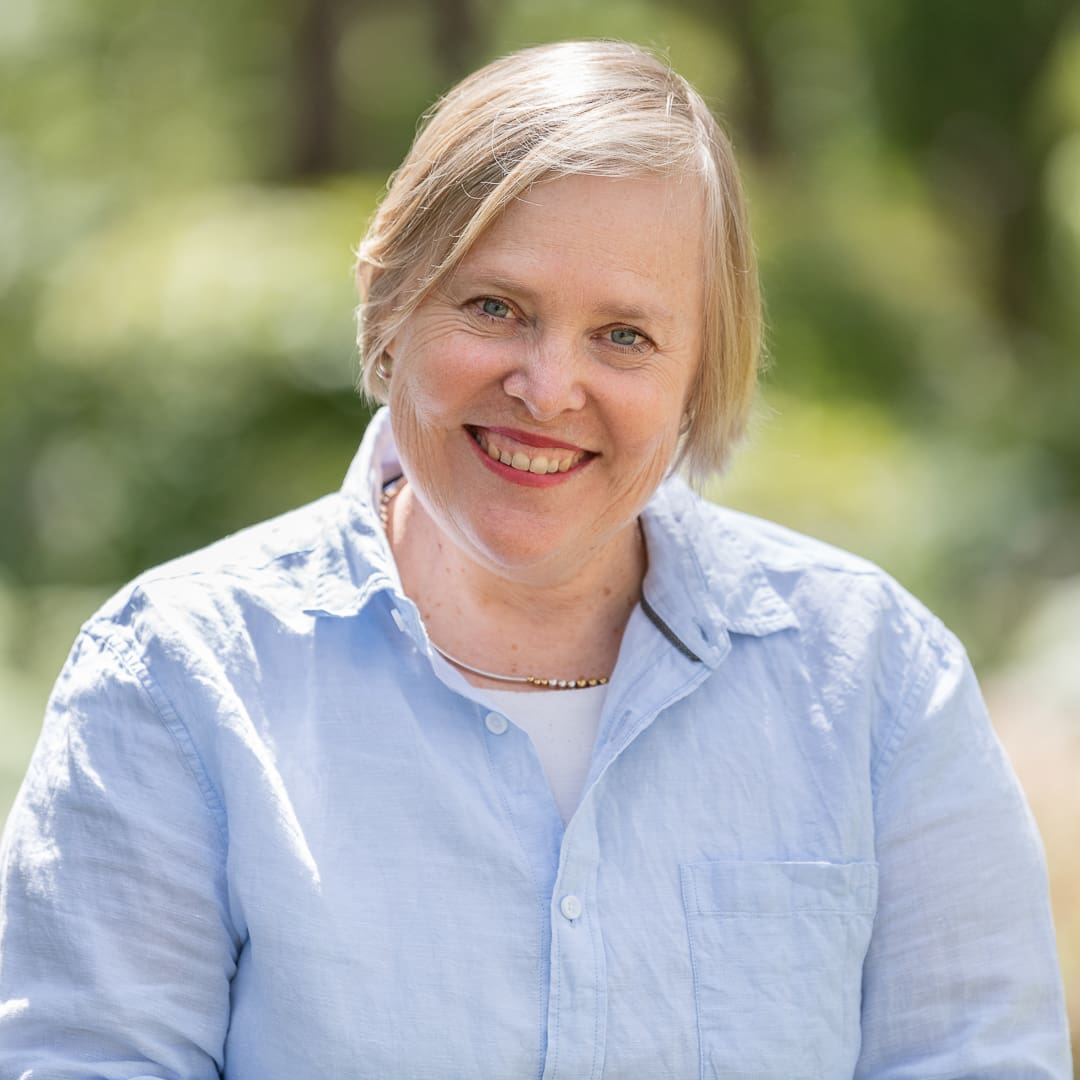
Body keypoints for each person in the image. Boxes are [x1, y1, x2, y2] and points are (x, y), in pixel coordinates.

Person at [0, 39, 1071, 1079]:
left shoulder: (878, 684)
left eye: (624, 336)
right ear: (389, 309)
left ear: (703, 375)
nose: (550, 387)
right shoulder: (177, 684)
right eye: (494, 307)